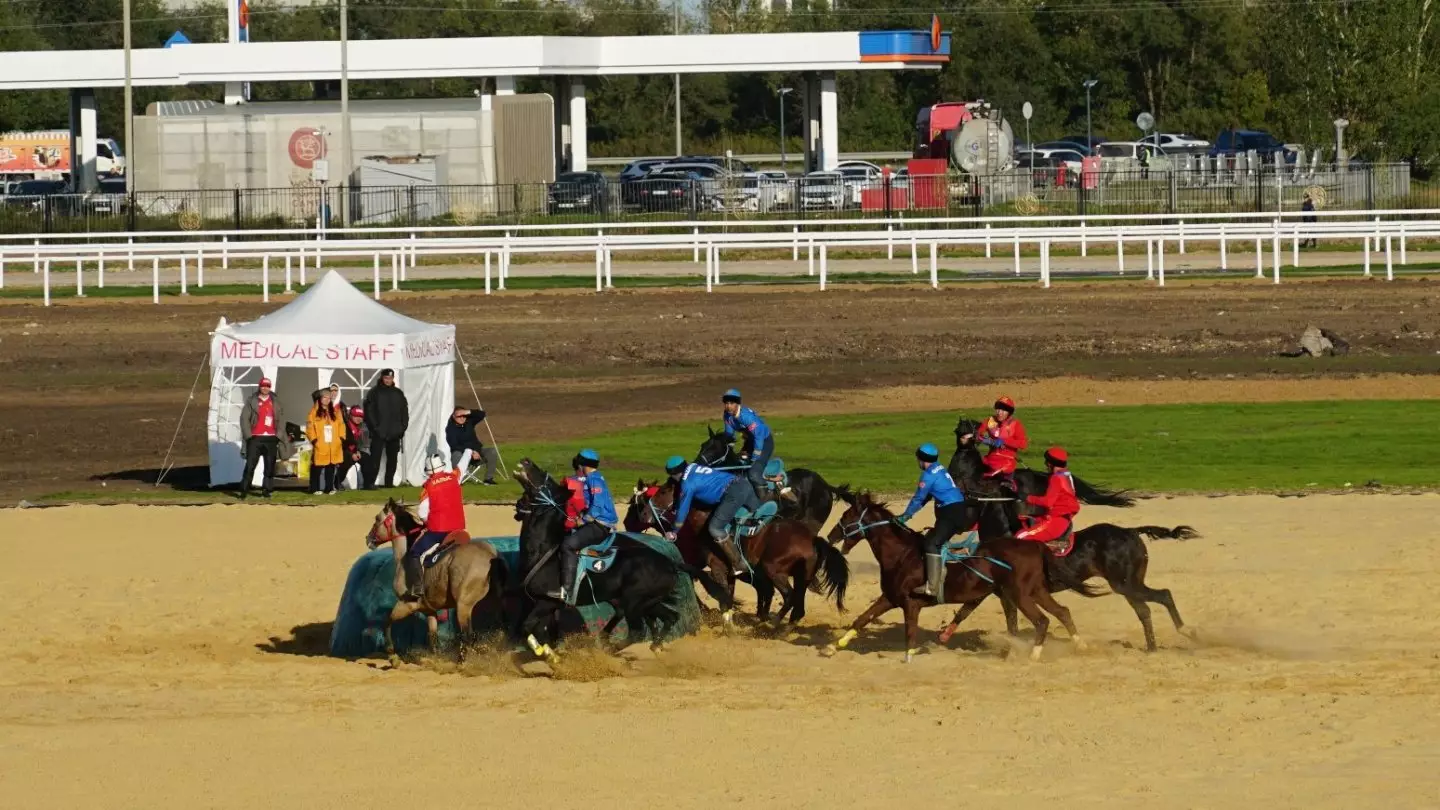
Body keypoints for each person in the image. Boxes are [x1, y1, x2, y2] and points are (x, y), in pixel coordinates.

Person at [895, 442, 966, 600]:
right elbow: (926, 497)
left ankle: (932, 587)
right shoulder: (939, 468)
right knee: (932, 539)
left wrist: (906, 516)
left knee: (931, 543)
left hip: (951, 512)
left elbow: (919, 498)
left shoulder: (927, 476)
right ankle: (942, 568)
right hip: (957, 508)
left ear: (921, 460)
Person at [549, 449, 618, 605]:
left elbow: (598, 506)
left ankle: (566, 590)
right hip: (598, 523)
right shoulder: (594, 477)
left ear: (581, 464)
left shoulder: (594, 479)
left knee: (568, 545)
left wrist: (584, 520)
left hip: (600, 525)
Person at [667, 454, 753, 576]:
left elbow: (683, 511)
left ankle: (739, 563)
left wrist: (674, 531)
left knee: (715, 528)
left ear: (675, 474)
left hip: (732, 494)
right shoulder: (694, 466)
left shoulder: (687, 485)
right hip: (743, 483)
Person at [405, 454, 467, 600]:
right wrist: (469, 449)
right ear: (442, 466)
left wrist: (427, 523)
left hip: (439, 530)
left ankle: (418, 587)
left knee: (414, 553)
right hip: (458, 528)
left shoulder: (428, 488)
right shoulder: (454, 477)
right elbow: (463, 464)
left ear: (428, 472)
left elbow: (422, 512)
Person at [1014, 447, 1080, 549]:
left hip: (1056, 521)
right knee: (1023, 521)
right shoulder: (1066, 474)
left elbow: (1047, 502)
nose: (1045, 464)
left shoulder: (1056, 478)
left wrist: (1027, 497)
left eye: (1046, 462)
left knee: (1020, 537)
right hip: (1062, 518)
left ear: (1050, 464)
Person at [964, 396, 1028, 492]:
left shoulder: (1016, 424)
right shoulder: (990, 421)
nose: (999, 412)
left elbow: (1023, 444)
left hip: (1007, 461)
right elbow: (978, 432)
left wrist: (1004, 441)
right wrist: (975, 436)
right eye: (998, 409)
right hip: (990, 459)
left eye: (1003, 410)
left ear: (1009, 412)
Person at [720, 388, 773, 498]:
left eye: (731, 403)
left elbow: (759, 436)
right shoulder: (727, 415)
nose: (728, 406)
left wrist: (755, 457)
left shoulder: (746, 417)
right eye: (726, 403)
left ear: (738, 403)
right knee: (738, 466)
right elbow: (729, 434)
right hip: (750, 441)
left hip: (763, 442)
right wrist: (727, 450)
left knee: (753, 474)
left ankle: (767, 498)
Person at [238, 377, 285, 499]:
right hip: (255, 438)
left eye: (267, 386)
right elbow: (244, 419)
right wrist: (248, 436)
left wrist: (278, 436)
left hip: (271, 438)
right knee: (250, 466)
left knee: (269, 466)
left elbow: (281, 420)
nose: (265, 388)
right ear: (260, 386)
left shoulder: (275, 401)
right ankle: (244, 489)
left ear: (270, 387)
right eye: (263, 386)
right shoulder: (251, 401)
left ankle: (267, 490)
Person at [363, 369, 409, 488]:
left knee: (392, 459)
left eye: (390, 378)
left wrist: (402, 428)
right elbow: (369, 412)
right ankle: (370, 483)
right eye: (386, 378)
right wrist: (375, 428)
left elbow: (404, 411)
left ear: (393, 379)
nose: (388, 380)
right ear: (382, 378)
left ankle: (389, 483)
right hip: (379, 432)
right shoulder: (374, 392)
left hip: (395, 432)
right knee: (375, 459)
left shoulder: (398, 393)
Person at [305, 387, 346, 494]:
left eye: (329, 398)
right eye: (324, 397)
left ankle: (329, 488)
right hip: (320, 442)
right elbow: (309, 427)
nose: (327, 400)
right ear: (320, 398)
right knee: (317, 466)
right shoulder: (313, 412)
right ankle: (314, 488)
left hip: (333, 443)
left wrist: (341, 438)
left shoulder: (336, 411)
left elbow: (341, 425)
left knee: (331, 466)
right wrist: (314, 440)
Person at [446, 406, 499, 485]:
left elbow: (482, 414)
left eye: (464, 416)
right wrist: (471, 452)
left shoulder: (469, 422)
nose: (462, 418)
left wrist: (467, 412)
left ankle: (488, 479)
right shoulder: (450, 428)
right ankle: (458, 480)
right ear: (453, 416)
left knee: (492, 451)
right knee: (456, 454)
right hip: (463, 455)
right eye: (459, 416)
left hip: (477, 453)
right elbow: (454, 445)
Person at [338, 405, 370, 491]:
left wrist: (357, 451)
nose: (358, 419)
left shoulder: (360, 427)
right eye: (356, 416)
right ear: (350, 415)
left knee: (366, 458)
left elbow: (358, 443)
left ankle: (367, 484)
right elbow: (343, 443)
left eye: (360, 417)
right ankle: (337, 482)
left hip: (354, 450)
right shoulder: (345, 426)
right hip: (343, 450)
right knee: (347, 460)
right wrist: (351, 454)